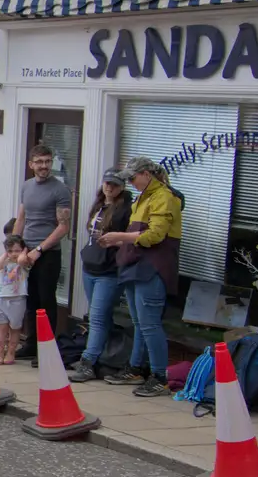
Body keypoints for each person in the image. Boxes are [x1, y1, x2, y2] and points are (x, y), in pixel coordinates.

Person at [98, 157, 183, 398]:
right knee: (138, 323)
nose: (132, 183)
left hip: (152, 267)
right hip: (135, 265)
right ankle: (135, 369)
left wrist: (119, 237)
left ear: (147, 174)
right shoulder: (143, 196)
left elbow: (155, 236)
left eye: (133, 178)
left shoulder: (165, 197)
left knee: (150, 324)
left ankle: (159, 377)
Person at [68, 172, 135, 383]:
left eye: (115, 185)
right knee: (100, 317)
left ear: (122, 187)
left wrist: (115, 241)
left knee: (97, 316)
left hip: (109, 270)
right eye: (107, 183)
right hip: (91, 266)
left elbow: (131, 240)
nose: (110, 188)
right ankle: (103, 359)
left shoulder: (126, 209)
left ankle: (88, 362)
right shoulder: (99, 205)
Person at [10, 142, 72, 361]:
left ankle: (47, 350)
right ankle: (31, 345)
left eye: (47, 161)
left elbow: (63, 226)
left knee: (46, 301)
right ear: (31, 164)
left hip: (48, 254)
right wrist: (14, 248)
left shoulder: (60, 189)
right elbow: (22, 217)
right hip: (26, 252)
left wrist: (38, 250)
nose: (44, 166)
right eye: (39, 162)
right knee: (30, 300)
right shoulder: (26, 186)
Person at [0, 234, 29, 365]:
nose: (14, 254)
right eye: (10, 251)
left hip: (17, 299)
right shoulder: (5, 262)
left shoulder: (23, 263)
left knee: (15, 328)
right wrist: (6, 254)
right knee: (2, 328)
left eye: (17, 250)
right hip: (2, 298)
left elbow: (24, 260)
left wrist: (24, 252)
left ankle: (11, 352)